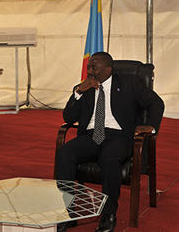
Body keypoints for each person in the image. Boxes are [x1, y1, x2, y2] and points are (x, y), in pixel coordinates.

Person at [55, 52, 164, 232]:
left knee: (109, 157)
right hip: (91, 136)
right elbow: (68, 117)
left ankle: (108, 214)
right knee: (65, 152)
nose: (89, 70)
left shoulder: (129, 84)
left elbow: (156, 103)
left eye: (93, 67)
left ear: (108, 69)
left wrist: (150, 126)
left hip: (119, 136)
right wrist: (79, 92)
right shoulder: (84, 87)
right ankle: (68, 211)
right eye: (89, 66)